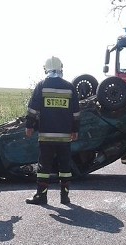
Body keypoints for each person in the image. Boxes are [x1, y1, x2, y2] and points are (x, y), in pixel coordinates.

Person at [25, 56, 80, 205]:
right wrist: (75, 130)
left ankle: (41, 196)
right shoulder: (70, 87)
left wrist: (29, 126)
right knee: (65, 166)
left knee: (44, 166)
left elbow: (33, 110)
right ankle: (65, 197)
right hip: (64, 136)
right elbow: (76, 112)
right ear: (61, 68)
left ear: (45, 69)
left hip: (46, 136)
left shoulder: (41, 86)